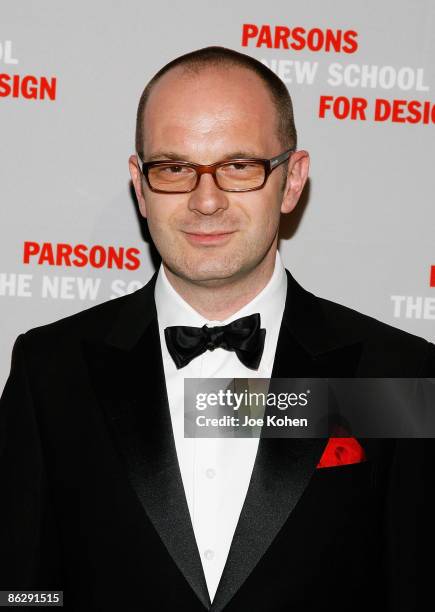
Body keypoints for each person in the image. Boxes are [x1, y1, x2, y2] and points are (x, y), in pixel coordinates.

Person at [0, 46, 433, 612]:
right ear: (141, 184)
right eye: (175, 168)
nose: (207, 200)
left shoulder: (397, 374)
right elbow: (21, 590)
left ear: (292, 179)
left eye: (238, 166)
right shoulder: (50, 370)